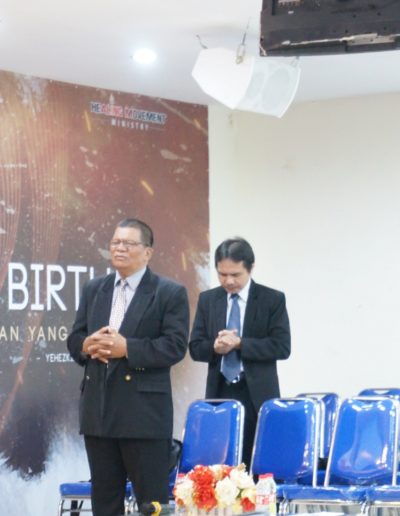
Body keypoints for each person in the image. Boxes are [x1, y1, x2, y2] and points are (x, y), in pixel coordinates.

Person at [67, 218, 189, 516]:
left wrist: (128, 348)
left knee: (151, 505)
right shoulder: (95, 288)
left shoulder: (168, 292)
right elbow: (75, 338)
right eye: (115, 242)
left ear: (148, 252)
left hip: (143, 417)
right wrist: (86, 345)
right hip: (99, 413)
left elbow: (174, 346)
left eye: (128, 243)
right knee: (105, 504)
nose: (119, 248)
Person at [189, 237, 290, 469]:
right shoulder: (208, 300)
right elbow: (195, 347)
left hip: (256, 393)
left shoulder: (271, 299)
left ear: (250, 268)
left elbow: (282, 346)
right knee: (220, 464)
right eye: (222, 274)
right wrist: (215, 347)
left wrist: (240, 344)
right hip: (219, 392)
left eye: (235, 275)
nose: (229, 281)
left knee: (257, 465)